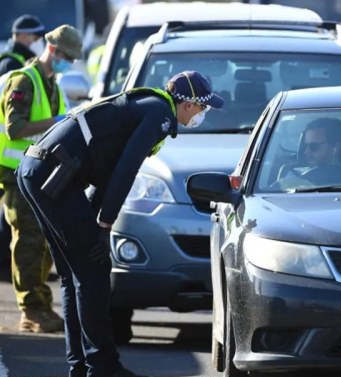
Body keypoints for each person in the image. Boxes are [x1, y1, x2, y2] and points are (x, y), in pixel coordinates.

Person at [16, 71, 223, 377]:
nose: (202, 115)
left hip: (39, 171)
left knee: (77, 273)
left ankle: (83, 366)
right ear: (189, 104)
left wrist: (98, 220)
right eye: (203, 108)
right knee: (93, 272)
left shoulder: (149, 105)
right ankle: (102, 367)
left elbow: (108, 170)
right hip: (53, 177)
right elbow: (125, 171)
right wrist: (104, 225)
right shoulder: (160, 114)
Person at [0, 24, 82, 333]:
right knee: (29, 241)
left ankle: (40, 305)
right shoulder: (25, 80)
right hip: (15, 173)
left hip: (38, 174)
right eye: (68, 58)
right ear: (54, 51)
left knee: (45, 243)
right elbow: (14, 129)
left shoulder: (52, 83)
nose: (69, 64)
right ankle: (32, 310)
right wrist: (59, 122)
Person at [0, 14, 46, 280]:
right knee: (14, 222)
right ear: (26, 37)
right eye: (38, 38)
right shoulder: (12, 66)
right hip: (8, 158)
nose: (39, 43)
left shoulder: (13, 63)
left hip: (10, 158)